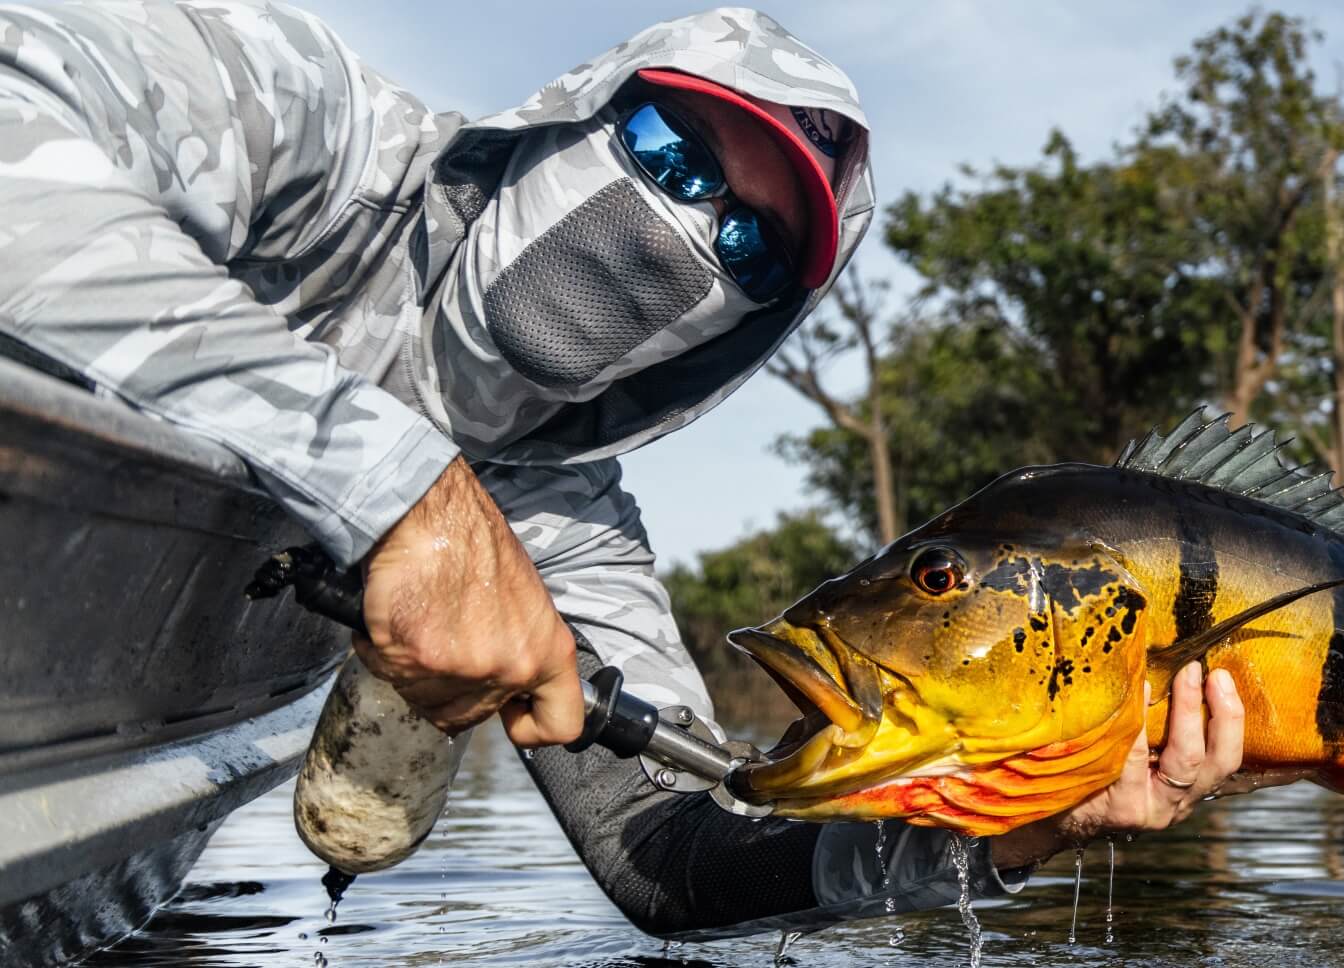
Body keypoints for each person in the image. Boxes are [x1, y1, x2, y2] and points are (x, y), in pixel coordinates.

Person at [0, 0, 1245, 939]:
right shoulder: (309, 138)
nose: (693, 231)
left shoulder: (566, 529)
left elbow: (677, 858)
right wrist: (406, 497)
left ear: (742, 335)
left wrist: (1018, 826)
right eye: (675, 153)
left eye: (754, 248)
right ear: (577, 113)